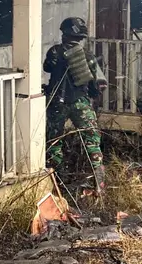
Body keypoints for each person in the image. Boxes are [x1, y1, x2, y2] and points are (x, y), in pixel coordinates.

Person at [43, 17, 107, 196]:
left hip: (57, 103)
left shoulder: (54, 52)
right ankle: (99, 186)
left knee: (53, 142)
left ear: (64, 34)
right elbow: (96, 86)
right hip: (81, 103)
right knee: (92, 143)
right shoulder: (87, 56)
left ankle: (58, 184)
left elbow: (47, 68)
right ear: (81, 37)